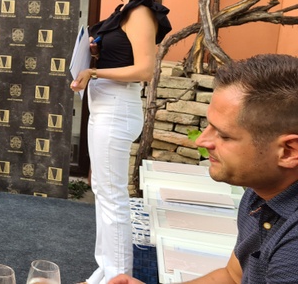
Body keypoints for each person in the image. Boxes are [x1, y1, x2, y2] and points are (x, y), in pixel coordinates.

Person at [109, 54, 298, 284]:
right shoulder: (260, 194)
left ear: (289, 151)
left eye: (224, 135)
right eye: (209, 126)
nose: (201, 141)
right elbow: (232, 276)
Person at [70, 0, 172, 284]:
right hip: (105, 106)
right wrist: (98, 55)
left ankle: (117, 275)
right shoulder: (125, 11)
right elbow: (124, 58)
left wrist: (94, 72)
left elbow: (145, 69)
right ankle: (105, 269)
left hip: (115, 108)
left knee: (112, 195)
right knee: (102, 190)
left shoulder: (141, 11)